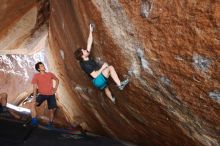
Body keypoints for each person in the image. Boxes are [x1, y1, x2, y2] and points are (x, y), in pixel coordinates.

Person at [74, 24, 129, 103]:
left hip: (97, 83)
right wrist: (103, 67)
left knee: (106, 88)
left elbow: (89, 43)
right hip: (97, 80)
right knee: (110, 68)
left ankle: (112, 100)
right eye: (84, 51)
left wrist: (90, 31)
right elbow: (95, 75)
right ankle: (120, 85)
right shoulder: (85, 65)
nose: (85, 50)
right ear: (82, 56)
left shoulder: (85, 56)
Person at [30, 62, 59, 127]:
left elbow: (57, 80)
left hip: (51, 95)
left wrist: (55, 88)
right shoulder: (36, 76)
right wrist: (34, 97)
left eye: (43, 65)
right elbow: (34, 88)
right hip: (42, 95)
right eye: (41, 66)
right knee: (32, 104)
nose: (43, 66)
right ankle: (34, 121)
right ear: (38, 69)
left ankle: (50, 124)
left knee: (52, 110)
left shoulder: (50, 74)